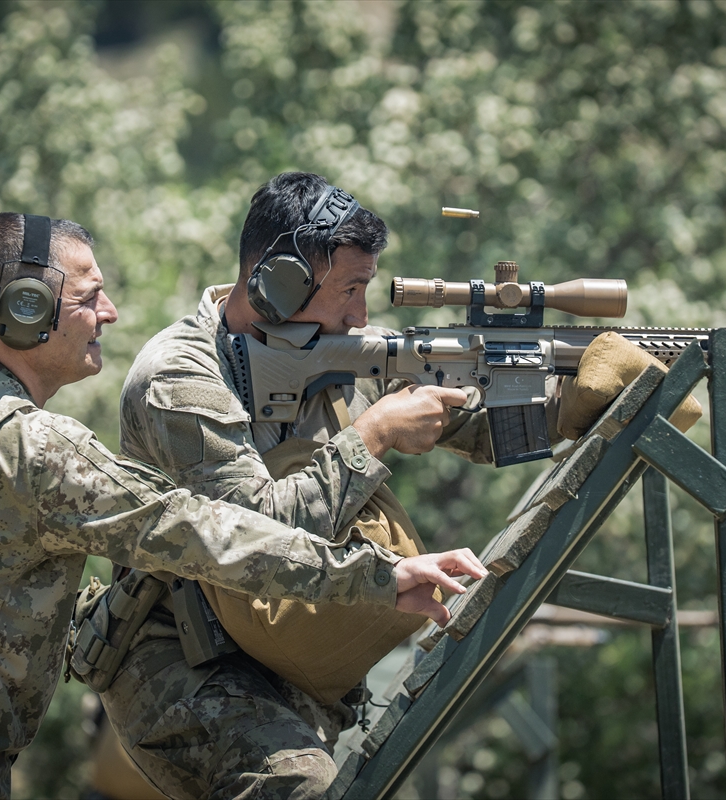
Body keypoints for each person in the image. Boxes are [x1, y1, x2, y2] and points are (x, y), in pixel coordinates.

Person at [0, 212, 486, 800]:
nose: (109, 313)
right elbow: (201, 532)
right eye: (90, 298)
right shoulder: (35, 448)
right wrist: (377, 577)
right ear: (26, 310)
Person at [101, 173, 525, 799]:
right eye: (349, 290)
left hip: (293, 649)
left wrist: (568, 394)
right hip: (186, 661)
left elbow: (476, 424)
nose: (360, 315)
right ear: (278, 284)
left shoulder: (337, 348)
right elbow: (253, 536)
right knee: (302, 787)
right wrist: (375, 433)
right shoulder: (178, 378)